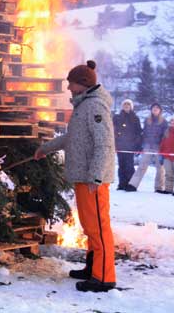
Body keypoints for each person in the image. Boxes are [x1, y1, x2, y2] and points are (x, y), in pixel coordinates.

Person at [35, 60, 116, 293]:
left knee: (99, 228)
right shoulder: (84, 106)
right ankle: (92, 269)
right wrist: (45, 149)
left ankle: (103, 278)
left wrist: (96, 177)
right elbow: (72, 138)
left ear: (82, 83)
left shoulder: (95, 108)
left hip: (93, 180)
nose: (68, 87)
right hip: (84, 178)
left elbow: (104, 145)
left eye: (70, 83)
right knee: (91, 228)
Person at [125, 103, 168, 192]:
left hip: (158, 147)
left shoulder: (164, 121)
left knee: (160, 168)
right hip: (147, 146)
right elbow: (143, 133)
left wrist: (163, 147)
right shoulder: (147, 120)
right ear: (151, 110)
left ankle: (159, 187)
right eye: (153, 108)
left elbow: (165, 136)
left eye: (157, 108)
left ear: (160, 110)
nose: (155, 109)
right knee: (142, 166)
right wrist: (140, 145)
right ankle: (133, 185)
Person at [112, 99, 142, 190]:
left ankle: (130, 184)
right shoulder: (117, 117)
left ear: (131, 106)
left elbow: (138, 132)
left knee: (129, 165)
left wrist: (137, 145)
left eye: (128, 104)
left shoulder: (135, 118)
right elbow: (112, 130)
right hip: (120, 145)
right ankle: (122, 184)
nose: (126, 106)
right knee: (121, 165)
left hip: (130, 146)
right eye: (125, 104)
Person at [159, 113, 174, 196]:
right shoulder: (167, 130)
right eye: (172, 120)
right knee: (168, 174)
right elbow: (163, 142)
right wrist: (161, 154)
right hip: (167, 156)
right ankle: (168, 189)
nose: (173, 122)